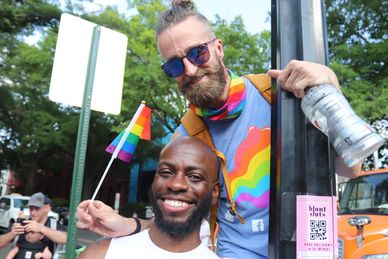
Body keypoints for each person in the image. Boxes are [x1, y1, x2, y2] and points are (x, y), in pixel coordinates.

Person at [77, 0, 361, 258]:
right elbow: (176, 222)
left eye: (197, 53)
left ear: (218, 48)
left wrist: (330, 93)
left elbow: (351, 169)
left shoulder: (278, 94)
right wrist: (125, 225)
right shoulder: (185, 137)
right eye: (175, 66)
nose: (189, 70)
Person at [78, 136, 220, 259]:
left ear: (214, 193)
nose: (176, 184)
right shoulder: (100, 254)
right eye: (166, 172)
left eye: (195, 177)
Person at [0, 192, 67, 256]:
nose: (33, 212)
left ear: (47, 208)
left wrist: (42, 229)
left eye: (37, 208)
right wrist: (12, 233)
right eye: (31, 209)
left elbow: (68, 239)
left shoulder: (53, 225)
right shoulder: (22, 224)